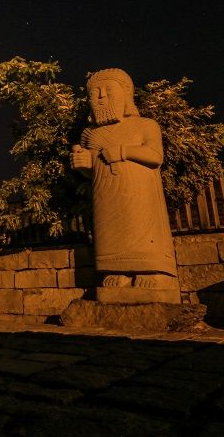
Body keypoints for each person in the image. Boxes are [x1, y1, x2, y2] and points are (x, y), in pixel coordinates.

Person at [70, 68, 180, 303]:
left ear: (126, 95)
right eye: (94, 93)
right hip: (105, 193)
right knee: (109, 229)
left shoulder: (146, 125)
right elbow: (90, 169)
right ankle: (116, 270)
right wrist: (82, 163)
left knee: (141, 224)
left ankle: (150, 270)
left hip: (139, 191)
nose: (100, 97)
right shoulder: (89, 134)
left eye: (107, 90)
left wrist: (122, 151)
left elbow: (155, 156)